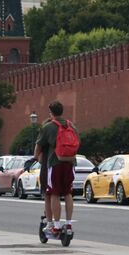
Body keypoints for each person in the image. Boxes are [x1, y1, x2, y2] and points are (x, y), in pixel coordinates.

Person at [34, 101, 78, 239]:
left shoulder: (48, 127)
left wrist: (36, 157)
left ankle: (56, 226)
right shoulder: (71, 125)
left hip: (55, 163)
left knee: (53, 193)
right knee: (68, 193)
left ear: (51, 112)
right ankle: (69, 223)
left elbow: (38, 148)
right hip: (70, 162)